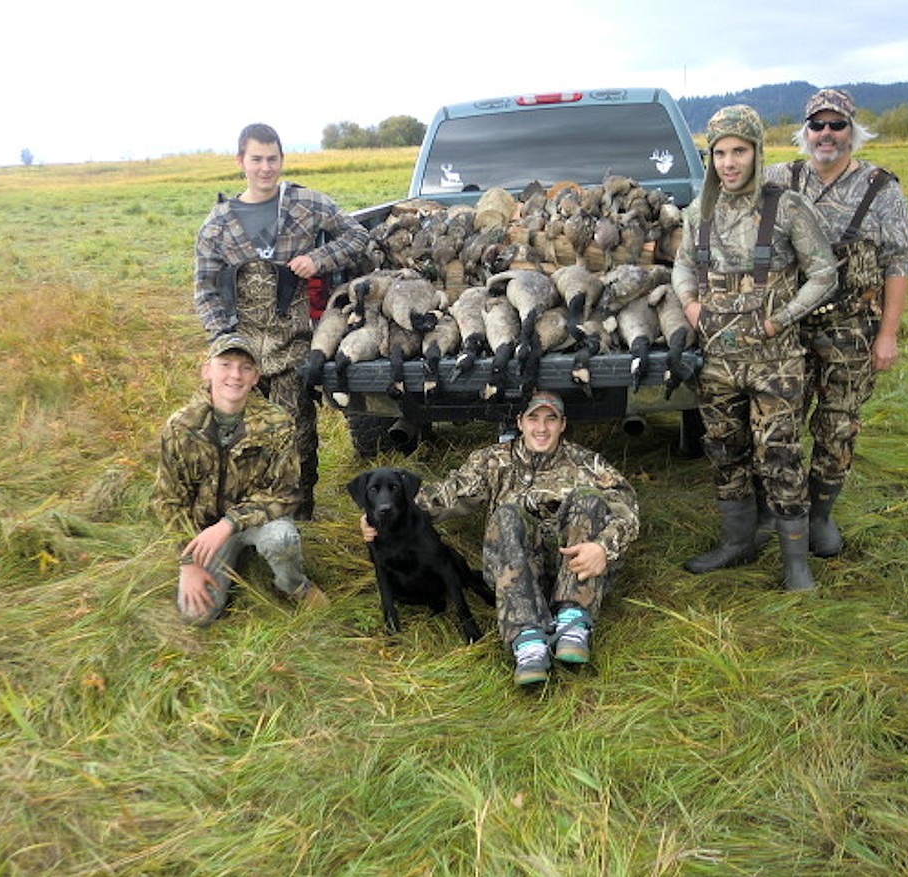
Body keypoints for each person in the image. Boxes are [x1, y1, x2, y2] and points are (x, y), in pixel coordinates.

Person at [360, 390, 640, 686]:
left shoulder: (586, 464)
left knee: (589, 500)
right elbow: (446, 495)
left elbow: (628, 510)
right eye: (533, 418)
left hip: (571, 571)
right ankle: (527, 640)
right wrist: (378, 514)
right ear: (520, 422)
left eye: (550, 419)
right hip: (514, 574)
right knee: (506, 515)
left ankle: (572, 623)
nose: (541, 428)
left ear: (563, 424)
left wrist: (602, 548)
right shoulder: (493, 461)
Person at [672, 105, 837, 591]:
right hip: (717, 364)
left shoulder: (786, 207)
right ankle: (738, 543)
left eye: (738, 151)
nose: (728, 162)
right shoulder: (698, 211)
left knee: (780, 455)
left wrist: (780, 319)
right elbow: (682, 265)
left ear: (757, 152)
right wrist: (690, 304)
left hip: (774, 363)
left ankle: (795, 566)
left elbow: (824, 274)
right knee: (724, 450)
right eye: (720, 152)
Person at [763, 88, 908, 557]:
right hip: (787, 325)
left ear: (852, 131)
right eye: (817, 125)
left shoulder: (880, 188)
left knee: (838, 426)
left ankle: (821, 515)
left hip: (850, 330)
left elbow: (899, 262)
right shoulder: (778, 178)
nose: (826, 134)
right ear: (805, 132)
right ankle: (779, 510)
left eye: (836, 125)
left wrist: (887, 335)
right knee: (778, 422)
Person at [194, 123, 370, 520]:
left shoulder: (306, 204)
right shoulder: (218, 224)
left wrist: (318, 260)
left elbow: (356, 235)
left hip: (291, 345)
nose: (265, 168)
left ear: (281, 160)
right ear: (241, 161)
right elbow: (204, 289)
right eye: (256, 159)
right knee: (242, 438)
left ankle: (299, 513)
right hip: (242, 351)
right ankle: (248, 514)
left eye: (272, 159)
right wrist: (224, 341)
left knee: (299, 435)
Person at [151, 334, 316, 625]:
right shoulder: (181, 427)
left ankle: (293, 586)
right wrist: (188, 563)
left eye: (245, 368)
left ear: (256, 378)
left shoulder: (277, 423)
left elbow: (285, 493)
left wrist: (229, 525)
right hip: (204, 533)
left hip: (256, 524)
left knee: (282, 538)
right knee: (196, 616)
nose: (235, 375)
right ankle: (231, 561)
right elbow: (167, 501)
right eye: (225, 364)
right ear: (207, 371)